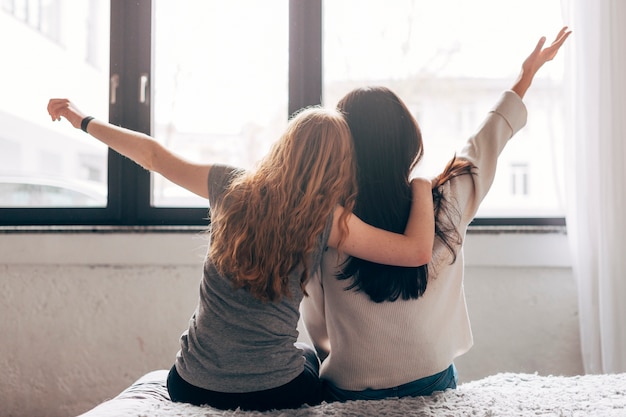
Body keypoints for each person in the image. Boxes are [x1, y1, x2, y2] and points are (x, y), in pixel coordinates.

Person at [46, 100, 436, 410]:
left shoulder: (228, 184)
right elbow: (415, 251)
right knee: (312, 361)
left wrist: (83, 119)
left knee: (298, 354)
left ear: (285, 145)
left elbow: (151, 154)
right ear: (340, 167)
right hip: (276, 390)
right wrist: (420, 183)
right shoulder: (327, 219)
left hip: (188, 383)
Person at [301, 27, 572, 402]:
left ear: (344, 149)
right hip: (428, 380)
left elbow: (314, 315)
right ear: (410, 140)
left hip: (348, 385)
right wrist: (526, 76)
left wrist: (342, 359)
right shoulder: (445, 200)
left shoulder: (329, 222)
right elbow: (487, 139)